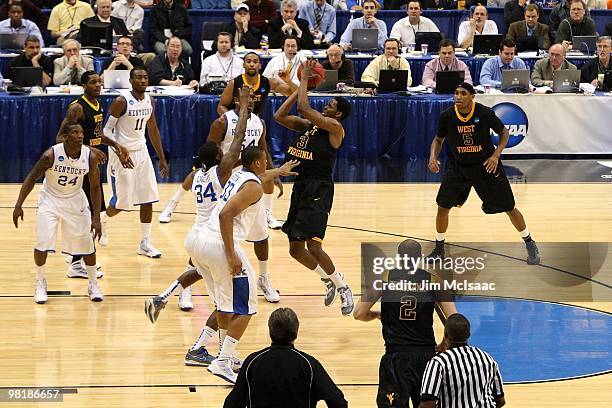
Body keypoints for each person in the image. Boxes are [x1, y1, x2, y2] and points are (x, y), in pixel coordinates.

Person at [147, 89, 299, 364]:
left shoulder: (214, 174)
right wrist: (242, 110)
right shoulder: (227, 171)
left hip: (197, 236)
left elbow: (257, 170)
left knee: (222, 302)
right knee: (244, 306)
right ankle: (224, 358)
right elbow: (239, 143)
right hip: (217, 238)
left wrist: (278, 171)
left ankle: (199, 348)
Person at [274, 60, 355, 316]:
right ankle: (327, 279)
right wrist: (296, 86)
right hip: (301, 186)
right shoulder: (310, 125)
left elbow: (304, 106)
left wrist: (304, 81)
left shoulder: (334, 128)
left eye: (331, 105)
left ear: (338, 113)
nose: (326, 104)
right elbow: (280, 117)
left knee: (314, 247)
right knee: (295, 250)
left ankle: (343, 288)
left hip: (319, 189)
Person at [427, 82, 540, 265]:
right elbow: (438, 139)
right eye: (456, 93)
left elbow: (504, 133)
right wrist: (432, 157)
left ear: (472, 97)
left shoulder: (484, 113)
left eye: (463, 93)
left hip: (485, 166)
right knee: (442, 207)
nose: (458, 96)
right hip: (458, 167)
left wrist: (496, 155)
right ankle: (439, 248)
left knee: (509, 207)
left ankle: (529, 242)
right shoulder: (447, 116)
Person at [354, 239, 458, 408]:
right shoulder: (433, 280)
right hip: (426, 358)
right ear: (419, 259)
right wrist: (444, 343)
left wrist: (377, 315)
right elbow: (454, 320)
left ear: (399, 258)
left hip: (396, 357)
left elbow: (358, 313)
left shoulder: (384, 278)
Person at [13, 123, 104, 304]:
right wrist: (18, 205)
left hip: (75, 199)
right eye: (75, 132)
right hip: (50, 200)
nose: (79, 136)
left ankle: (93, 284)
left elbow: (94, 187)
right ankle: (40, 282)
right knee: (43, 241)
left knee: (87, 244)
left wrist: (96, 218)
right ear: (65, 137)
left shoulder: (90, 157)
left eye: (81, 133)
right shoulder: (50, 155)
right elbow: (31, 178)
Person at [102, 67, 169, 258]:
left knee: (148, 198)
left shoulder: (150, 100)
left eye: (145, 77)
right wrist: (119, 150)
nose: (142, 80)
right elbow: (105, 132)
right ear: (130, 81)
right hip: (121, 154)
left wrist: (161, 158)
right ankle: (102, 220)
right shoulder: (121, 101)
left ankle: (145, 243)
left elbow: (153, 128)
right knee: (122, 203)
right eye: (138, 77)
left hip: (142, 151)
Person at [224, 307, 348, 407]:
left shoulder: (253, 362)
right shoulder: (308, 364)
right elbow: (338, 402)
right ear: (296, 332)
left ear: (270, 331)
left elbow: (232, 404)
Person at [419, 314, 506, 408]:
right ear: (468, 335)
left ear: (446, 335)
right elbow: (500, 401)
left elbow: (427, 404)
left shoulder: (439, 362)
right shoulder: (487, 358)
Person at [217, 52, 297, 116]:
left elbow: (295, 94)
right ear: (243, 65)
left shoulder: (269, 82)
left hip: (254, 123)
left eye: (255, 62)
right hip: (236, 122)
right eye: (248, 62)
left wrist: (288, 81)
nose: (252, 64)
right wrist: (233, 120)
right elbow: (221, 107)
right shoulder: (234, 83)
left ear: (260, 66)